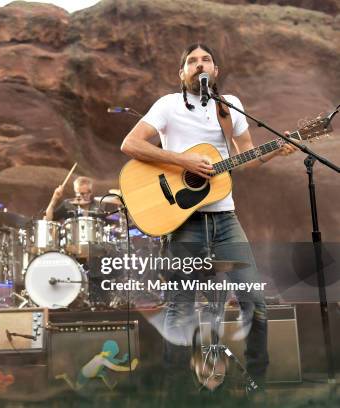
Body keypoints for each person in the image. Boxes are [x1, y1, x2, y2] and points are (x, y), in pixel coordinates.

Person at [120, 43, 296, 386]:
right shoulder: (167, 105)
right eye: (192, 61)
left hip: (225, 219)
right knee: (180, 307)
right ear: (182, 73)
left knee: (254, 300)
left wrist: (277, 150)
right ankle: (176, 390)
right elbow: (131, 144)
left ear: (214, 71)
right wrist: (184, 162)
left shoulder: (229, 107)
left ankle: (257, 383)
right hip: (183, 221)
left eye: (206, 60)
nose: (199, 64)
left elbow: (245, 156)